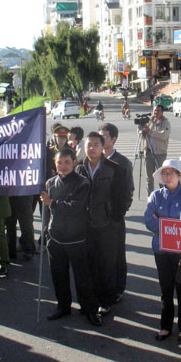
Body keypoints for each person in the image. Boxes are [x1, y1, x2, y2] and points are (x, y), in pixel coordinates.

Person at [40, 147, 102, 326]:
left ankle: (90, 309)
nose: (63, 166)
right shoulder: (50, 183)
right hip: (56, 236)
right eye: (60, 162)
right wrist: (45, 231)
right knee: (58, 275)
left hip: (77, 237)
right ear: (55, 163)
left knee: (83, 277)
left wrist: (52, 203)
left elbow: (76, 207)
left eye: (67, 162)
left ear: (74, 162)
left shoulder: (83, 182)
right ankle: (63, 306)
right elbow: (46, 211)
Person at [75, 132, 127, 315]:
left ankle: (106, 300)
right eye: (88, 145)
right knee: (89, 263)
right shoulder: (79, 169)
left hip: (107, 223)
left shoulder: (114, 168)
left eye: (96, 145)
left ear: (102, 146)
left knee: (107, 263)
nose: (91, 148)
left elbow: (124, 195)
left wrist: (116, 217)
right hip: (85, 224)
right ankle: (91, 299)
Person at [145, 159, 181, 346]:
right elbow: (149, 221)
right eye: (164, 173)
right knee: (166, 290)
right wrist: (173, 225)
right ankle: (165, 325)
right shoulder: (156, 195)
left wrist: (163, 222)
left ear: (179, 175)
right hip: (161, 250)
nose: (167, 176)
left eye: (171, 172)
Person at [99, 122, 134, 301]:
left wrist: (119, 213)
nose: (101, 139)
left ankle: (118, 289)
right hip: (97, 219)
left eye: (105, 136)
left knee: (117, 255)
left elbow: (128, 191)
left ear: (113, 139)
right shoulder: (93, 160)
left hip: (114, 218)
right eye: (100, 135)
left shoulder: (122, 163)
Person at [142, 104, 171, 193]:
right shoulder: (150, 121)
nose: (155, 112)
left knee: (161, 176)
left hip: (160, 153)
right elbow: (143, 136)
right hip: (148, 151)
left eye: (158, 110)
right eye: (154, 110)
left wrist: (149, 131)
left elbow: (163, 135)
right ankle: (150, 196)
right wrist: (141, 130)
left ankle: (164, 195)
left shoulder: (165, 123)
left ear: (162, 112)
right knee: (149, 176)